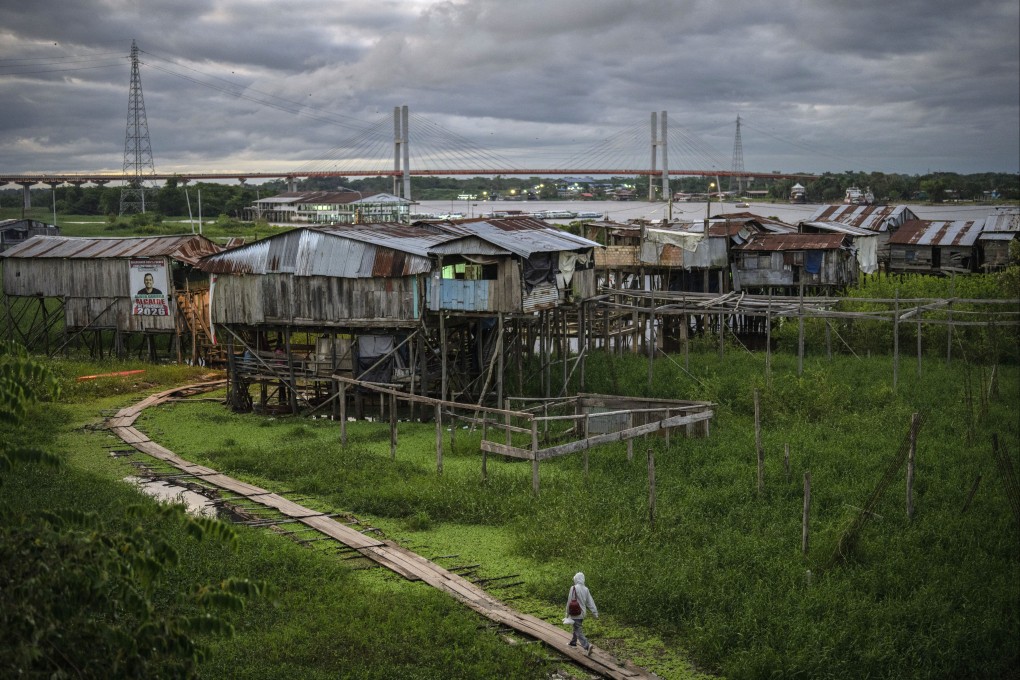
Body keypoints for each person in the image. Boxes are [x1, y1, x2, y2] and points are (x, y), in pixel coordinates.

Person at [565, 572, 598, 656]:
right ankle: (573, 643)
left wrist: (567, 614)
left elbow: (569, 601)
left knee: (578, 629)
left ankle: (587, 646)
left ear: (576, 578)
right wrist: (594, 612)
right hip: (582, 613)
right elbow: (590, 602)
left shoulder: (573, 588)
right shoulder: (586, 589)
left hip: (575, 612)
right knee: (576, 626)